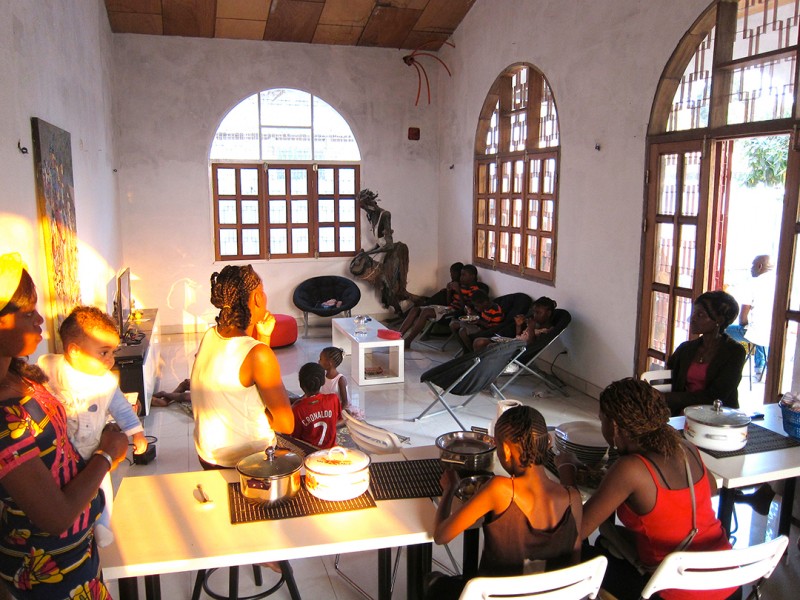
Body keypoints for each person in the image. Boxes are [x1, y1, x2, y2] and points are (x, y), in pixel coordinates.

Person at [0, 253, 129, 599]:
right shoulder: (3, 418)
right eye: (27, 313)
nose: (40, 319)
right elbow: (54, 517)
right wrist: (106, 454)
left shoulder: (21, 378)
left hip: (76, 551)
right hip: (47, 571)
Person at [558, 378, 736, 600]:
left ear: (614, 426)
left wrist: (566, 469)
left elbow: (576, 532)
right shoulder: (684, 447)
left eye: (601, 420)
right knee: (608, 540)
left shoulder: (630, 469)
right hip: (728, 582)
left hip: (676, 591)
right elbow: (710, 489)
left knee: (580, 553)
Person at [428, 405, 582, 600]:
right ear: (548, 442)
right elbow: (572, 567)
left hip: (495, 596)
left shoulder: (501, 489)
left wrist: (449, 489)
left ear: (507, 451)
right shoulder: (573, 498)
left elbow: (441, 536)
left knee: (433, 582)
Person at [38, 305, 148, 547]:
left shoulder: (106, 383)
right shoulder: (51, 368)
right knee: (67, 491)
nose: (111, 360)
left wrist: (137, 434)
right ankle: (76, 525)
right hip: (61, 453)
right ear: (75, 351)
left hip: (94, 451)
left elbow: (121, 408)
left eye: (113, 352)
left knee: (102, 489)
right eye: (104, 353)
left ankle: (102, 525)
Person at [191, 264, 294, 469]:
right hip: (249, 463)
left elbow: (244, 382)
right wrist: (259, 413)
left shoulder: (210, 335)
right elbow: (286, 424)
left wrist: (263, 335)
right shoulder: (258, 355)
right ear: (257, 298)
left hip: (207, 457)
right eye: (263, 293)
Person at [664, 290, 746, 416]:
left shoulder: (734, 352)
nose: (692, 319)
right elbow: (668, 380)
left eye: (700, 315)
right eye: (694, 313)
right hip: (682, 415)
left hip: (719, 417)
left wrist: (668, 397)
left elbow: (716, 396)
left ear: (719, 320)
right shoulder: (686, 349)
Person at [396, 264, 482, 349]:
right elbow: (449, 303)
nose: (461, 277)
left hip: (456, 312)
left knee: (425, 312)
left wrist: (458, 291)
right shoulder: (461, 286)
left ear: (472, 276)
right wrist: (449, 291)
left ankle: (408, 341)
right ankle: (396, 337)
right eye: (461, 275)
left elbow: (466, 308)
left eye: (464, 275)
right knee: (415, 309)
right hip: (448, 308)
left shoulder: (474, 290)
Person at [725, 254, 776, 382]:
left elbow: (743, 318)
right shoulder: (779, 283)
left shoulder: (753, 284)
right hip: (773, 336)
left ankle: (722, 367)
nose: (751, 269)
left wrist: (745, 325)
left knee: (721, 329)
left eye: (753, 265)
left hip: (756, 334)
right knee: (759, 332)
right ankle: (759, 369)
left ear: (760, 266)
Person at [473, 296, 558, 354]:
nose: (534, 315)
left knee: (484, 344)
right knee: (479, 341)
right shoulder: (535, 325)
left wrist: (531, 328)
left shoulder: (546, 331)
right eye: (534, 312)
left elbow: (530, 347)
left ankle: (481, 368)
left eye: (538, 313)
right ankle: (477, 364)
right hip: (512, 344)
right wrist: (518, 325)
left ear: (548, 313)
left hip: (517, 351)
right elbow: (518, 337)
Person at [291, 363, 342, 449]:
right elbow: (337, 419)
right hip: (330, 450)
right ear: (323, 382)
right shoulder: (333, 399)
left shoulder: (297, 409)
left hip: (309, 453)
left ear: (301, 384)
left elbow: (295, 437)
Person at [318, 346, 352, 412]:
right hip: (329, 408)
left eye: (321, 359)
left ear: (329, 363)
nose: (318, 361)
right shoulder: (323, 376)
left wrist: (337, 414)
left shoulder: (340, 379)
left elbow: (345, 402)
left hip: (340, 409)